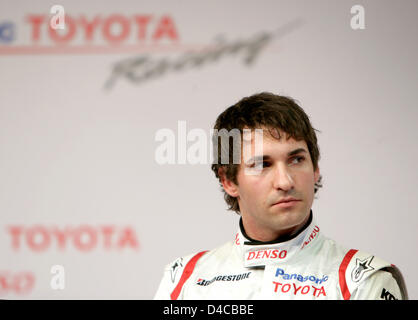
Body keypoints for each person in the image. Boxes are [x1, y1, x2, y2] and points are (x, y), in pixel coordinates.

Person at [154, 92, 408, 300]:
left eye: (297, 159)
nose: (285, 182)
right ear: (229, 180)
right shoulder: (184, 279)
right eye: (262, 164)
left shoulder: (364, 279)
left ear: (316, 167)